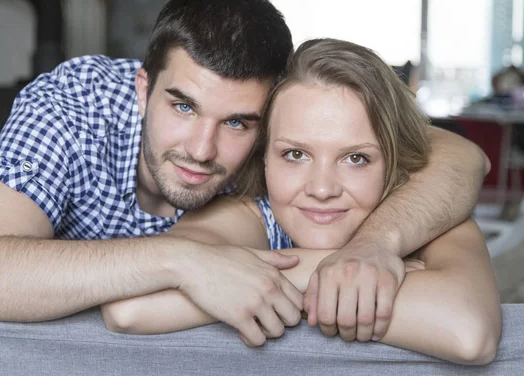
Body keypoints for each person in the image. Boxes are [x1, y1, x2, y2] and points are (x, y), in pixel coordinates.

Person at [0, 0, 490, 348]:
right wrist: (181, 261)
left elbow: (458, 153)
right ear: (142, 85)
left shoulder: (281, 159)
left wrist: (375, 246)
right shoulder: (75, 107)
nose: (202, 150)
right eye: (183, 106)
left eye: (238, 123)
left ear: (270, 117)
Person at [100, 38, 501, 364]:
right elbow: (130, 307)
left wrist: (249, 277)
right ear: (264, 160)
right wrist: (320, 271)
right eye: (295, 154)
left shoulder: (426, 215)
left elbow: (468, 333)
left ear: (393, 166)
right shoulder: (253, 214)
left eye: (356, 158)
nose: (322, 188)